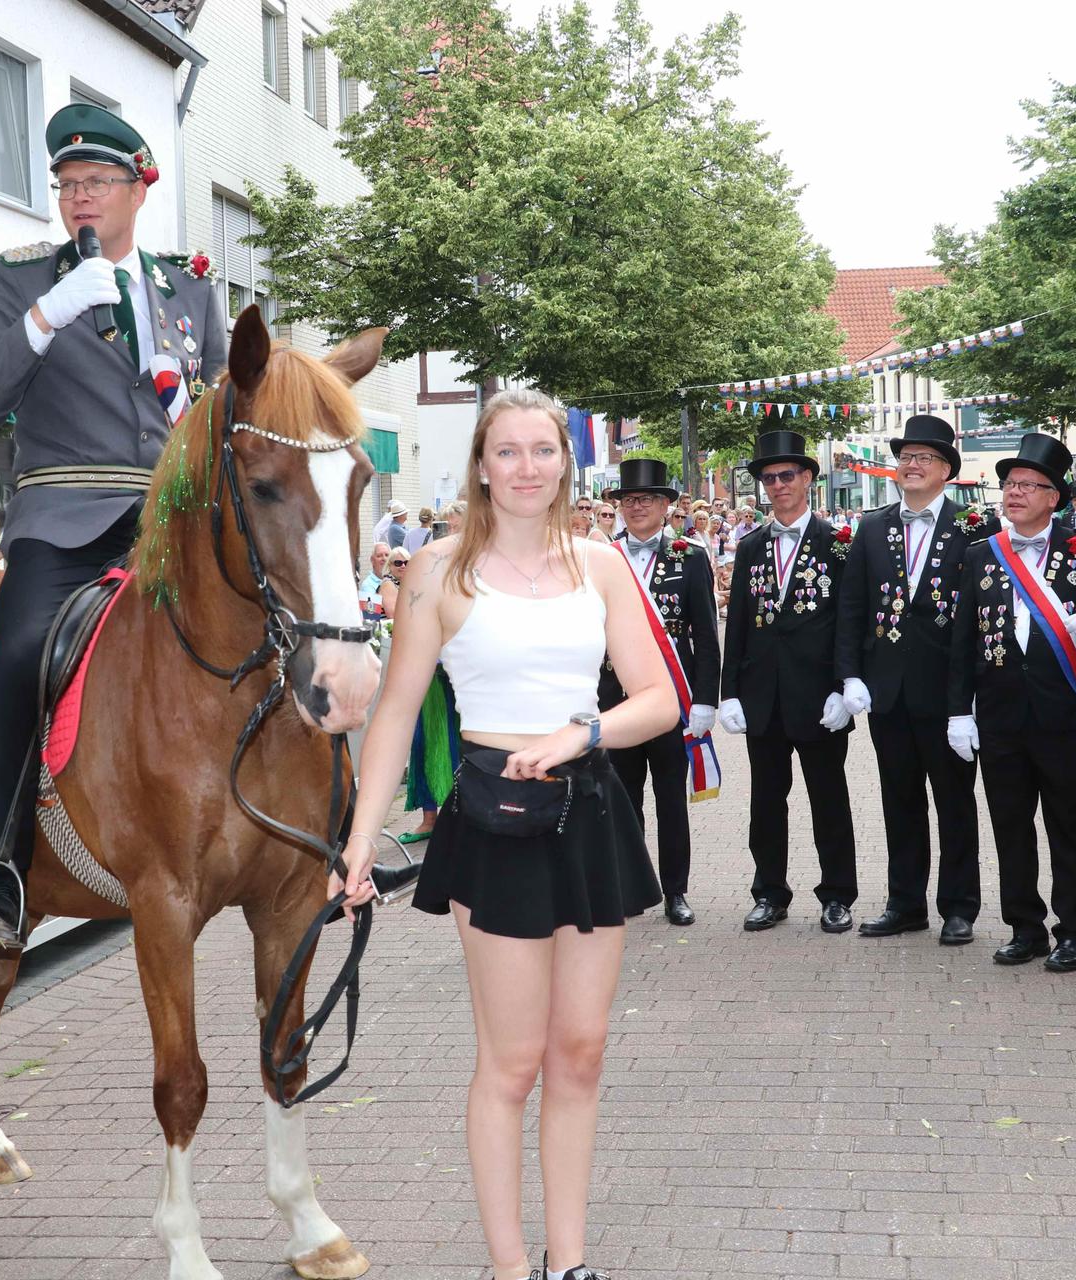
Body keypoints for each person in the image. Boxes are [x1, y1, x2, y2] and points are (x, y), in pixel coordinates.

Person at [337, 389, 676, 1280]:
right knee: (514, 1059)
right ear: (482, 464)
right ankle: (510, 1266)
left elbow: (659, 700)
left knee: (582, 1051)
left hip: (589, 809)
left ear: (565, 462)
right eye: (509, 451)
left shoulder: (602, 564)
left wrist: (585, 731)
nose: (528, 467)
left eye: (543, 450)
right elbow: (396, 713)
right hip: (493, 817)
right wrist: (361, 839)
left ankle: (569, 1264)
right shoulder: (438, 570)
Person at [0, 101, 227, 949]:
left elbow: (221, 410)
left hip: (171, 518)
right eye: (68, 184)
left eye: (99, 182)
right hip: (64, 517)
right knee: (20, 652)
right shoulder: (20, 280)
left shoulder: (192, 290)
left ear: (139, 189)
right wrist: (46, 318)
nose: (80, 198)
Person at [834, 416, 999, 945]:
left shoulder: (974, 527)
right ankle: (905, 902)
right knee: (898, 799)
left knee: (954, 802)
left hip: (948, 690)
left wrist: (969, 699)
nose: (911, 464)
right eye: (906, 456)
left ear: (947, 471)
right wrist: (850, 676)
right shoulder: (873, 526)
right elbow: (852, 608)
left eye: (924, 457)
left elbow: (984, 616)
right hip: (889, 690)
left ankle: (958, 906)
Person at [948, 433, 1076, 973]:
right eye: (1010, 484)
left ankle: (1073, 931)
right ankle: (1024, 926)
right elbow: (962, 640)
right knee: (1010, 824)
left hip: (1062, 713)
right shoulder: (980, 555)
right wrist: (958, 710)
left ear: (1054, 496)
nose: (1014, 494)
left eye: (1028, 486)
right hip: (999, 714)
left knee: (1067, 823)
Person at [718, 430, 858, 934]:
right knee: (765, 800)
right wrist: (728, 691)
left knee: (829, 799)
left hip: (819, 697)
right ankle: (769, 892)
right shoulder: (752, 545)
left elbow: (849, 620)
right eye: (768, 477)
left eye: (786, 476)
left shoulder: (837, 545)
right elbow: (737, 624)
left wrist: (845, 686)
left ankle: (838, 893)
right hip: (763, 698)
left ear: (808, 479)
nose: (777, 485)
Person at [604, 458, 719, 925]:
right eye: (628, 500)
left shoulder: (689, 557)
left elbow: (706, 636)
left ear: (665, 505)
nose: (636, 507)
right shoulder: (602, 557)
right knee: (623, 797)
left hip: (673, 698)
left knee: (671, 799)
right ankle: (630, 887)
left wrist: (706, 701)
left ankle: (676, 891)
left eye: (646, 499)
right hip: (615, 698)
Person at [376, 547, 412, 619]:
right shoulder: (388, 584)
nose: (403, 566)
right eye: (398, 563)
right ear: (390, 565)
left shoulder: (406, 583)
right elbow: (393, 615)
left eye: (406, 563)